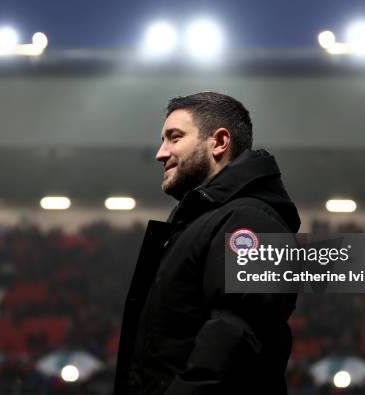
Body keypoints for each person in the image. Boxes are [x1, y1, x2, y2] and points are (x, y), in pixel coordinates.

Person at [114, 92, 301, 395]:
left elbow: (235, 337)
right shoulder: (197, 223)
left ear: (219, 142)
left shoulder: (251, 220)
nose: (160, 153)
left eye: (174, 138)